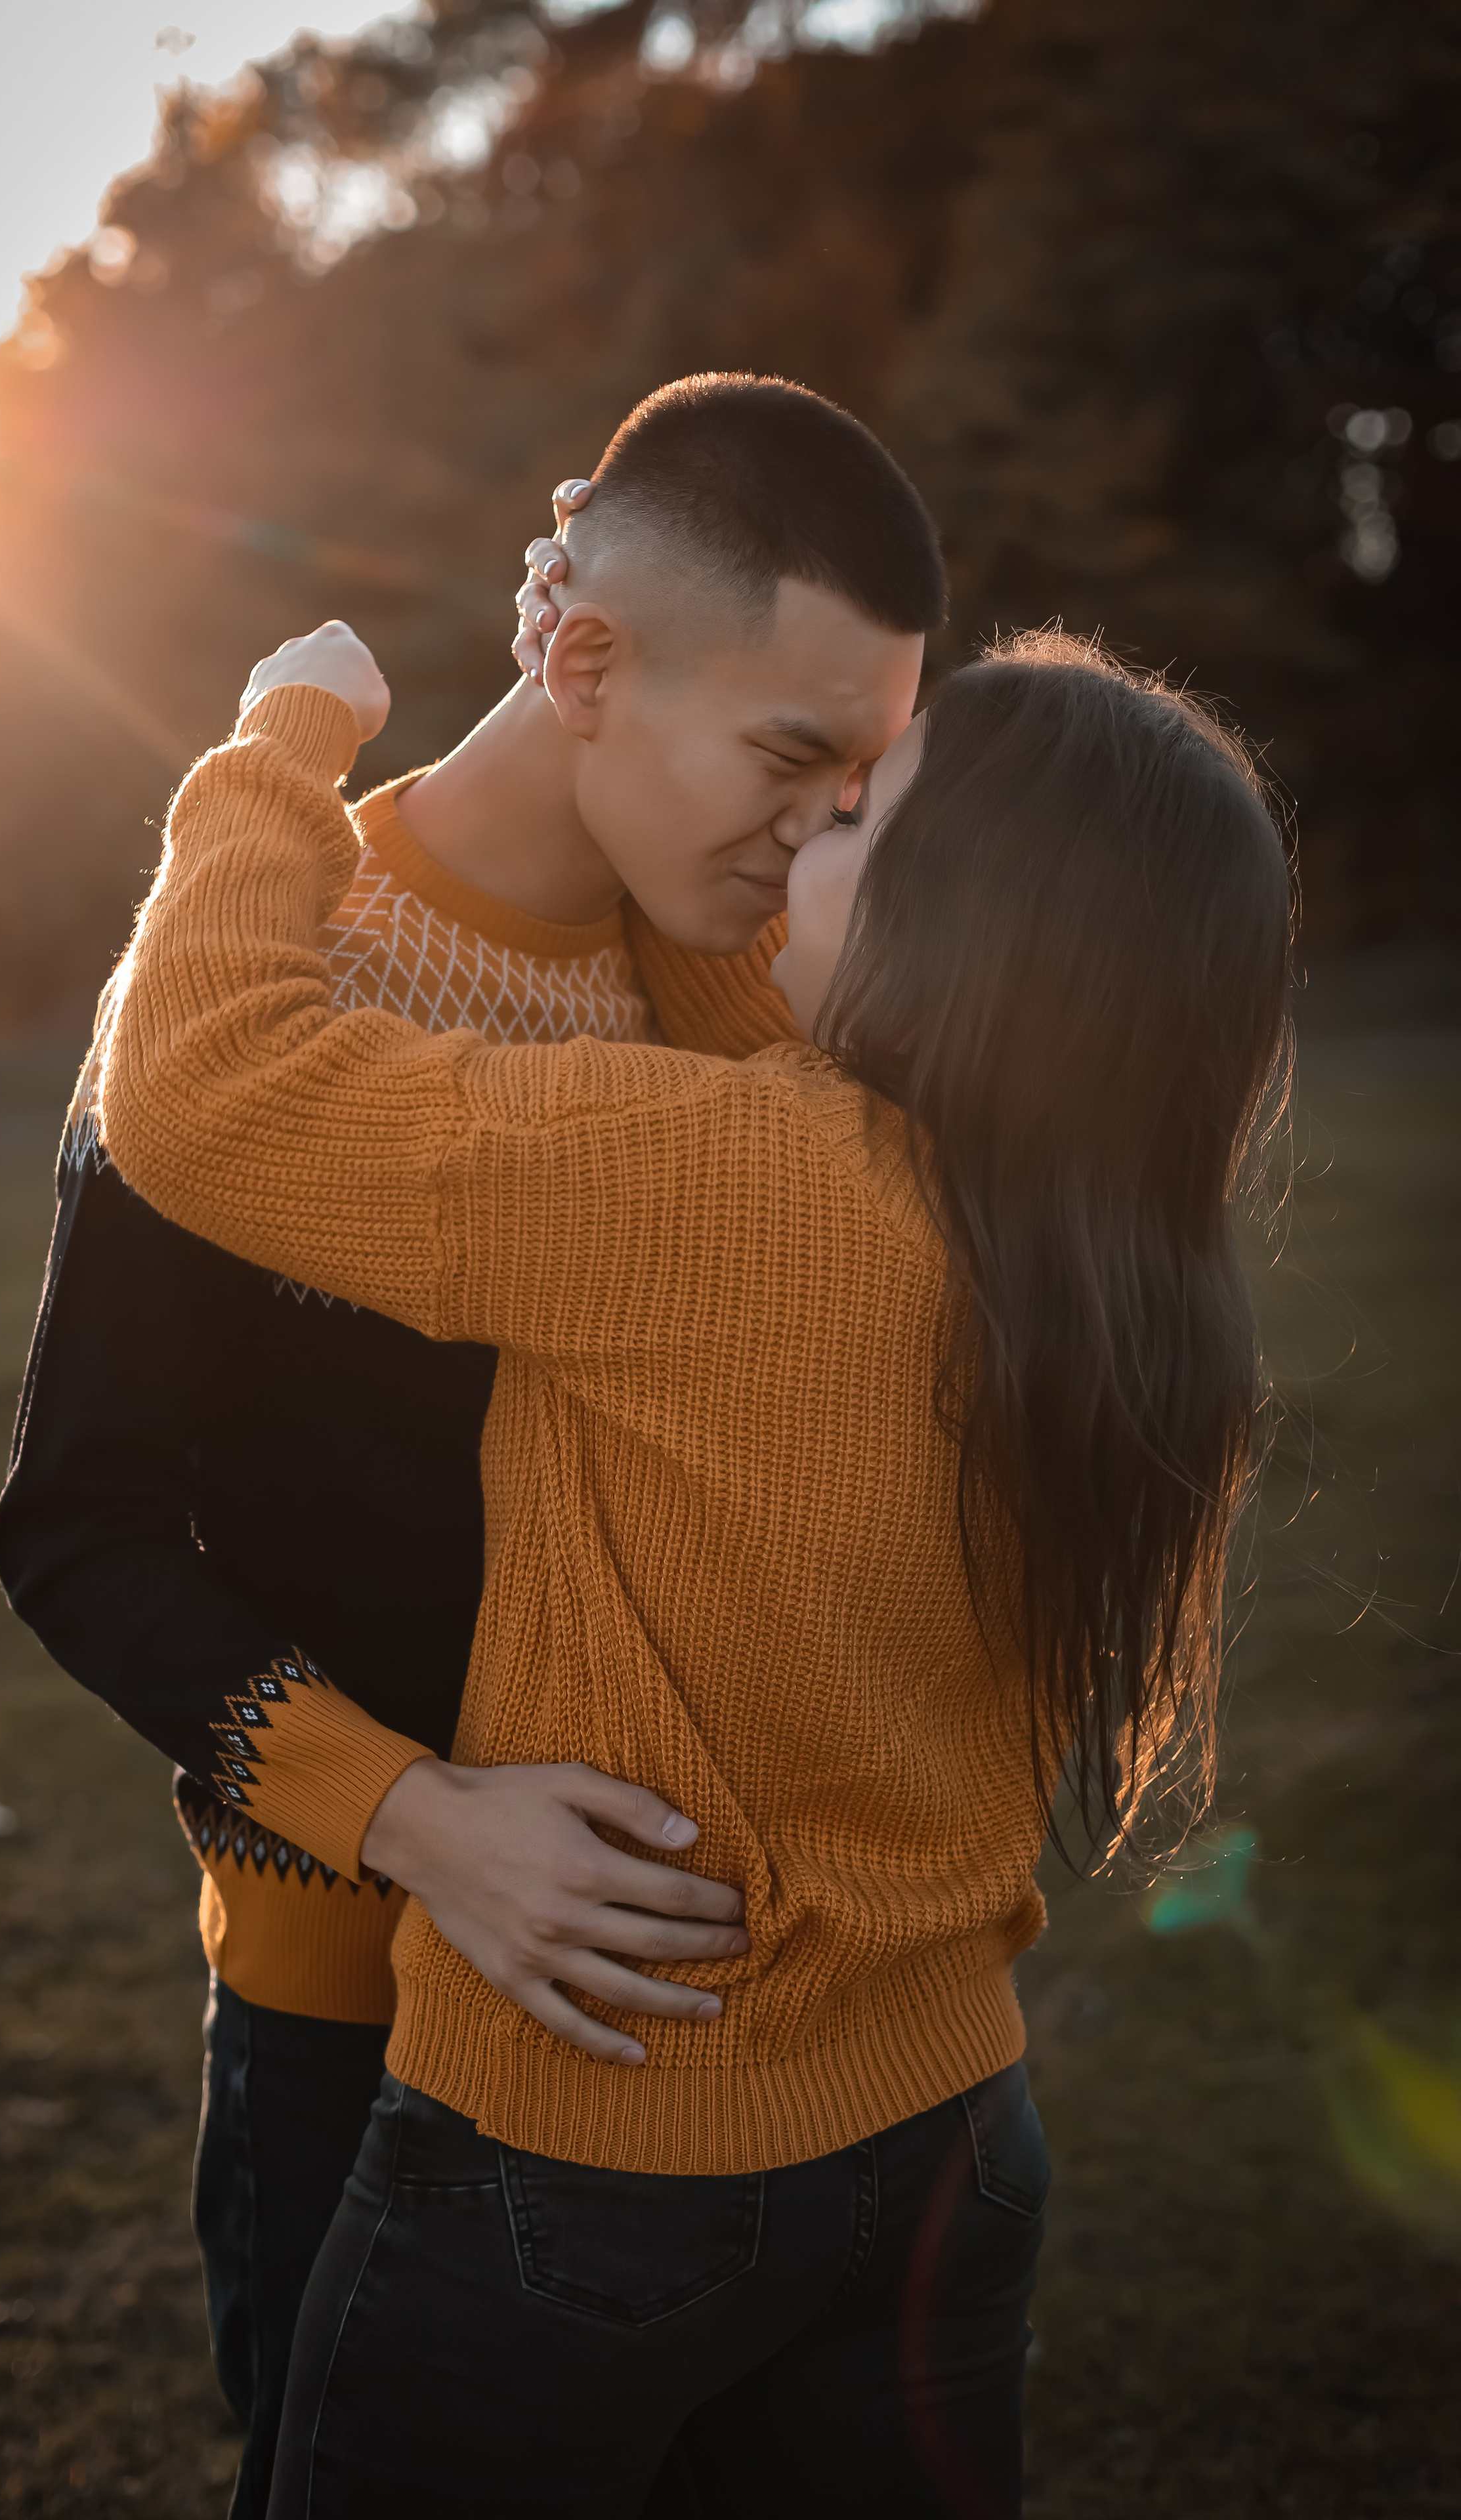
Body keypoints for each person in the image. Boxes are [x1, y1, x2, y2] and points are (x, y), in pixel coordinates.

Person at [94, 587, 1292, 2514]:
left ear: (960, 929)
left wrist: (279, 744)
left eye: (853, 817)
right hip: (950, 2136)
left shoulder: (713, 1185)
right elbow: (787, 1011)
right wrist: (633, 721)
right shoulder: (1126, 1271)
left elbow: (206, 1090)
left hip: (593, 2150)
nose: (797, 835)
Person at [0, 373, 943, 2515]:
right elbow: (78, 1530)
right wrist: (411, 1821)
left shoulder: (728, 987)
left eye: (860, 784)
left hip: (678, 2003)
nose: (817, 832)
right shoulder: (245, 985)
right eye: (788, 761)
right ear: (585, 663)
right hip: (354, 1999)